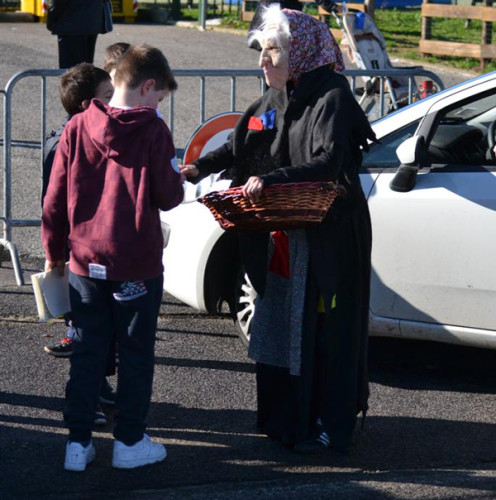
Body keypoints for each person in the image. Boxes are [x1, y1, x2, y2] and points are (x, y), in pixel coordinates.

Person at [182, 5, 374, 454]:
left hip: (330, 237)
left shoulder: (333, 96)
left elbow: (329, 160)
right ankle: (285, 420)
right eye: (262, 52)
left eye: (273, 52)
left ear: (301, 53)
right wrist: (198, 168)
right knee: (283, 329)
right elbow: (240, 143)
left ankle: (330, 424)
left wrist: (272, 180)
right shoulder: (274, 96)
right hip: (283, 233)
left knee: (326, 331)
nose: (263, 62)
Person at [41, 45, 183, 471]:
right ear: (148, 85)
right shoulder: (153, 131)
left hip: (85, 259)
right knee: (136, 354)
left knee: (88, 351)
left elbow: (54, 200)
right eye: (159, 97)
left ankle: (78, 443)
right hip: (134, 262)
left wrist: (54, 255)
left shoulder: (79, 125)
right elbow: (170, 195)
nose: (158, 105)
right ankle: (129, 440)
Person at [41, 63, 116, 425]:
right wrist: (55, 254)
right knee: (89, 331)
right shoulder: (66, 142)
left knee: (99, 329)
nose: (115, 101)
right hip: (79, 253)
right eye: (107, 96)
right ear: (89, 103)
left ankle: (97, 390)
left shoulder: (91, 134)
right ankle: (84, 404)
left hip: (95, 249)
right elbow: (53, 204)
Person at [47, 0, 113, 69]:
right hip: (93, 20)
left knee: (71, 69)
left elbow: (58, 3)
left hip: (70, 23)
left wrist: (51, 20)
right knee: (86, 66)